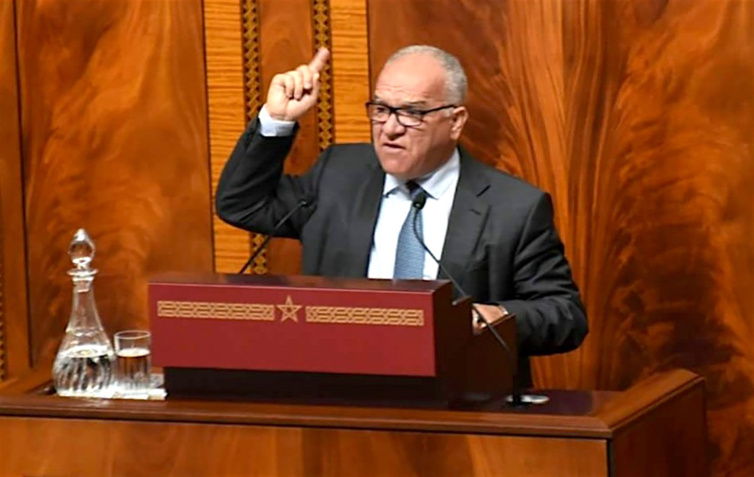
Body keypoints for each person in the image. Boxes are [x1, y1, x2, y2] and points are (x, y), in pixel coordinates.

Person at [216, 45, 587, 384]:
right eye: (381, 110)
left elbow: (564, 314)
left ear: (455, 121)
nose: (390, 129)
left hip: (461, 403)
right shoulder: (338, 174)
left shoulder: (513, 207)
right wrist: (276, 121)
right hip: (342, 393)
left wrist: (495, 317)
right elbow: (242, 204)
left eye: (412, 113)